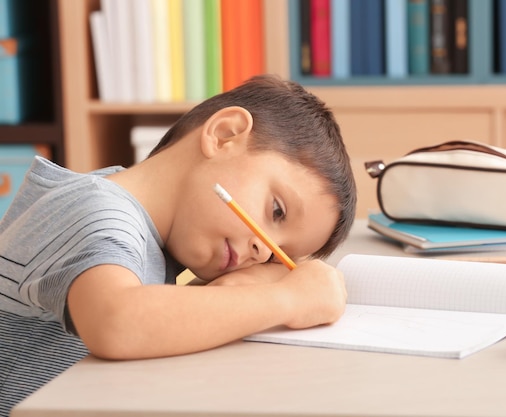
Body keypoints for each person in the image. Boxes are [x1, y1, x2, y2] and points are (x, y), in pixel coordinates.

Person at [0, 75, 357, 414]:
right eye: (276, 211)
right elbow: (118, 323)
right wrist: (288, 299)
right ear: (224, 135)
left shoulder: (144, 228)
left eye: (280, 257)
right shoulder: (97, 211)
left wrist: (237, 286)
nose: (264, 250)